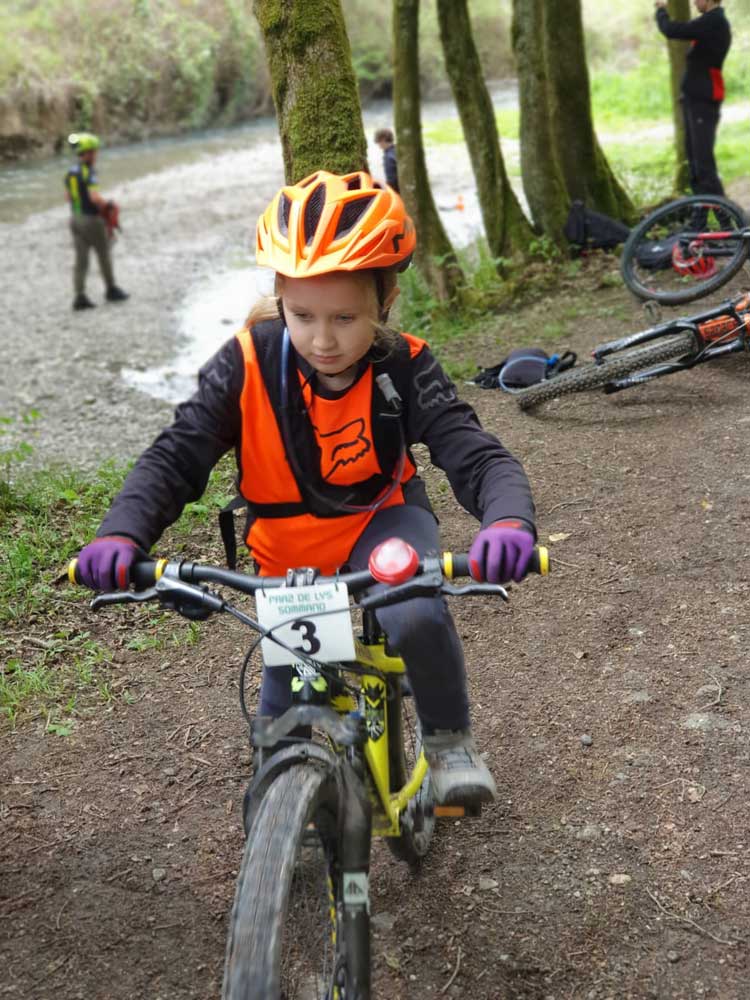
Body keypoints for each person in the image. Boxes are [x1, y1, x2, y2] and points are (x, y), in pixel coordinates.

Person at [73, 170, 538, 806]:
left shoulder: (404, 364)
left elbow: (474, 453)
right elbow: (176, 455)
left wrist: (506, 520)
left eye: (345, 317)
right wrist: (122, 533)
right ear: (280, 299)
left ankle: (449, 742)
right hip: (288, 549)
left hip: (382, 522)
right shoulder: (245, 364)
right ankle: (285, 814)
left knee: (413, 611)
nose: (323, 339)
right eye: (302, 315)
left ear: (385, 300)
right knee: (288, 704)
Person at [655, 0, 731, 196]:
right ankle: (701, 211)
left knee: (703, 163)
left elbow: (672, 30)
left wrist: (661, 10)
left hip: (704, 100)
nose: (694, 1)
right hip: (694, 99)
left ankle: (726, 212)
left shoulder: (714, 21)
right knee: (695, 162)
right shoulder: (708, 22)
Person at [64, 132, 129, 311]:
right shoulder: (89, 172)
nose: (96, 155)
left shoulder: (70, 173)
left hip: (75, 219)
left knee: (81, 260)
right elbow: (94, 197)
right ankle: (111, 289)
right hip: (91, 220)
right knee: (104, 254)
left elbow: (68, 197)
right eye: (94, 151)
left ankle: (79, 296)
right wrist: (107, 205)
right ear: (88, 153)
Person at [374, 127, 399, 193]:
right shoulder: (397, 149)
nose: (378, 145)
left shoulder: (388, 157)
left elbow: (392, 181)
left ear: (383, 139)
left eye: (378, 141)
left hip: (397, 192)